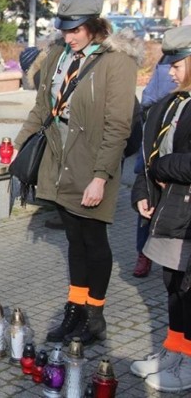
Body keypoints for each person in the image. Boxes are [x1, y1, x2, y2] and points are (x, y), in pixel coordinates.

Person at [12, 0, 142, 346]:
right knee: (73, 238)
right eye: (65, 29)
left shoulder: (117, 62)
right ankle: (75, 307)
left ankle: (95, 316)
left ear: (94, 26)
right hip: (58, 158)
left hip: (93, 160)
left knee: (94, 240)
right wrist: (19, 145)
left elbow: (118, 127)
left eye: (76, 30)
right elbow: (42, 108)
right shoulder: (57, 54)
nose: (68, 37)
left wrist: (101, 177)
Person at [130, 26, 191, 393]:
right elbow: (149, 151)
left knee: (187, 289)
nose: (170, 71)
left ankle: (187, 366)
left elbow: (168, 162)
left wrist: (160, 170)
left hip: (186, 211)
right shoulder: (174, 101)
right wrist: (142, 188)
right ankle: (174, 350)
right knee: (172, 284)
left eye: (178, 64)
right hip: (169, 210)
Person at [132, 57, 177, 278]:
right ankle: (143, 253)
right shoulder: (165, 67)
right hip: (157, 153)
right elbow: (147, 102)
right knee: (148, 203)